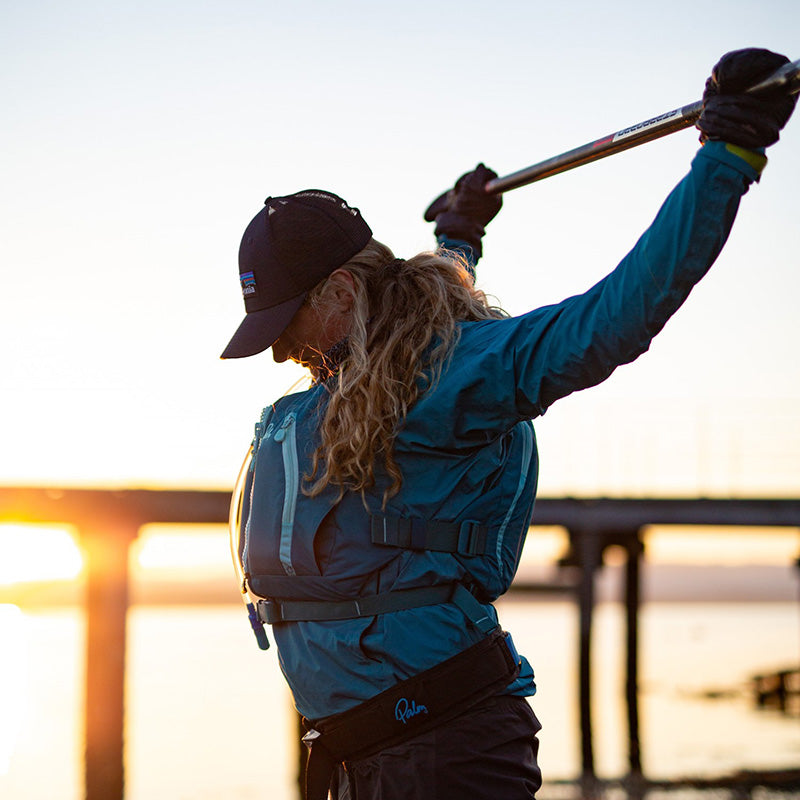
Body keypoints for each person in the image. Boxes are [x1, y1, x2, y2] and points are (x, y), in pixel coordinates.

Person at [221, 49, 796, 800]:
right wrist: (462, 231)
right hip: (368, 759)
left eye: (282, 323)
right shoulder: (384, 360)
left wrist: (729, 152)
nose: (279, 353)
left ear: (337, 291)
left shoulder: (456, 371)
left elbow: (611, 319)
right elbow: (417, 301)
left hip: (443, 758)